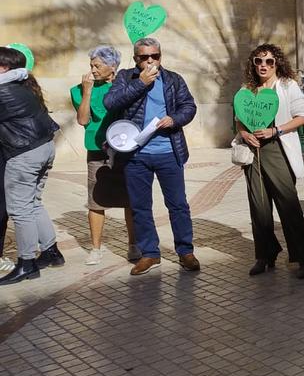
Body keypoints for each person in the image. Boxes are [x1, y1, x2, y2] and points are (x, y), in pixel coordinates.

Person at [104, 37, 199, 276]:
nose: (150, 61)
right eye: (144, 57)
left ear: (160, 56)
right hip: (136, 155)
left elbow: (189, 106)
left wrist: (175, 119)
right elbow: (110, 103)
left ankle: (185, 251)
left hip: (169, 151)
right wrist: (141, 83)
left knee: (178, 205)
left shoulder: (173, 79)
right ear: (135, 58)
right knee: (140, 207)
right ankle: (149, 254)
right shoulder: (126, 77)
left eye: (154, 56)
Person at [235, 44, 304, 278]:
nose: (263, 66)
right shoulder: (247, 89)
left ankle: (303, 258)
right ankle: (264, 255)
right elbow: (239, 118)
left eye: (269, 61)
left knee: (288, 205)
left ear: (277, 63)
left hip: (278, 148)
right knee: (258, 206)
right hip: (253, 151)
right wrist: (244, 133)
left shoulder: (288, 86)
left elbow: (302, 117)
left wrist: (276, 131)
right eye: (258, 61)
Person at [70, 46, 139, 265]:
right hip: (97, 149)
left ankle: (133, 245)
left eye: (97, 65)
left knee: (131, 199)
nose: (92, 69)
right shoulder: (78, 89)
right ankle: (96, 248)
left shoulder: (124, 85)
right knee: (95, 200)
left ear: (112, 67)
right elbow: (82, 120)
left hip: (125, 148)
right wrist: (88, 91)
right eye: (91, 65)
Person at [0, 47, 62, 285]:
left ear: (5, 68)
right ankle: (51, 252)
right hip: (42, 147)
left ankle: (26, 264)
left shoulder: (4, 90)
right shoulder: (21, 85)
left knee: (20, 210)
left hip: (23, 153)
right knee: (33, 203)